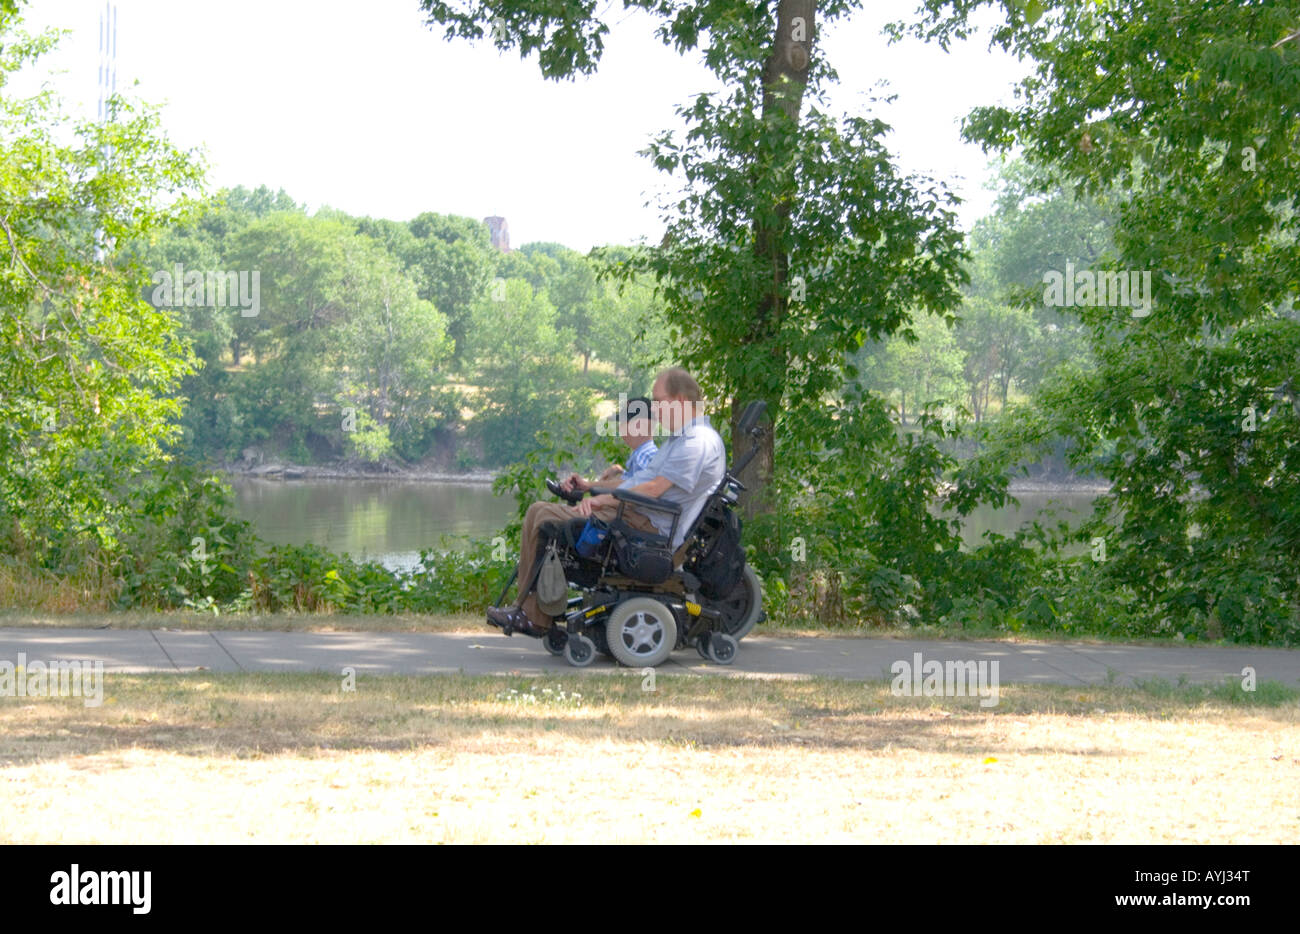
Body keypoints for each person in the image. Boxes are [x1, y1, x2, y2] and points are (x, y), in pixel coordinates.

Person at [486, 368, 725, 636]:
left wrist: (604, 501)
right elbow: (636, 481)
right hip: (638, 515)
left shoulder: (696, 442)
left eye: (659, 401)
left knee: (544, 517)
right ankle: (525, 610)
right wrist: (594, 489)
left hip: (649, 528)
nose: (655, 410)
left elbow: (655, 488)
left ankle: (533, 617)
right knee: (537, 511)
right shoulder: (679, 440)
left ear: (680, 401)